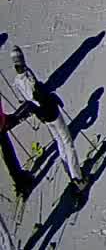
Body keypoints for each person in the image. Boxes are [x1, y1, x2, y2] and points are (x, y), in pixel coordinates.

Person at [8, 46, 86, 197]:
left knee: (59, 141)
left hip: (42, 116)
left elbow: (23, 100)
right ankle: (78, 177)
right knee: (67, 142)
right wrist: (52, 98)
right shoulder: (29, 78)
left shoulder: (17, 81)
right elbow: (40, 95)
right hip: (51, 112)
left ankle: (69, 172)